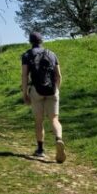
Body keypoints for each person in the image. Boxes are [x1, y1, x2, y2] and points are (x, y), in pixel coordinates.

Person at [20, 31, 66, 163]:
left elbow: (24, 75)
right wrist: (56, 90)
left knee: (39, 120)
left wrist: (25, 93)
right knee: (54, 119)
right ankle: (58, 139)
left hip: (36, 90)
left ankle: (40, 150)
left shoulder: (27, 55)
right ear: (42, 41)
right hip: (52, 90)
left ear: (30, 41)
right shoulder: (51, 54)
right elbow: (59, 75)